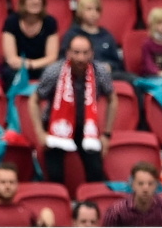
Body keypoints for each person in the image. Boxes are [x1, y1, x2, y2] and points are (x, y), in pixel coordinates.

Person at [30, 34, 117, 186]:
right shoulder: (54, 72)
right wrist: (40, 133)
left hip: (86, 127)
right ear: (68, 53)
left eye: (85, 53)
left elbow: (113, 99)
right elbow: (33, 100)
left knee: (96, 173)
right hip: (56, 126)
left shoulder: (100, 72)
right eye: (76, 52)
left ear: (92, 53)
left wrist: (107, 134)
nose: (81, 58)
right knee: (55, 176)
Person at [0, 0, 60, 91]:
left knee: (54, 72)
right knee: (10, 73)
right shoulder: (11, 21)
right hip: (17, 67)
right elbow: (11, 58)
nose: (35, 1)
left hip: (40, 65)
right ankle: (13, 104)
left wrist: (30, 64)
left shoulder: (50, 22)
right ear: (23, 2)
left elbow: (52, 57)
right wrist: (24, 65)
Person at [102, 161, 162, 227]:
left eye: (150, 184)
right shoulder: (117, 210)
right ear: (132, 185)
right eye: (140, 183)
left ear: (156, 185)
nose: (145, 188)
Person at [62, 0, 130, 81]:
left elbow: (118, 63)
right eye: (89, 9)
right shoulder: (72, 35)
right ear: (80, 12)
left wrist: (110, 66)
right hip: (80, 76)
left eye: (97, 10)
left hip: (107, 76)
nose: (93, 13)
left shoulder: (107, 35)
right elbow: (63, 60)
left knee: (133, 80)